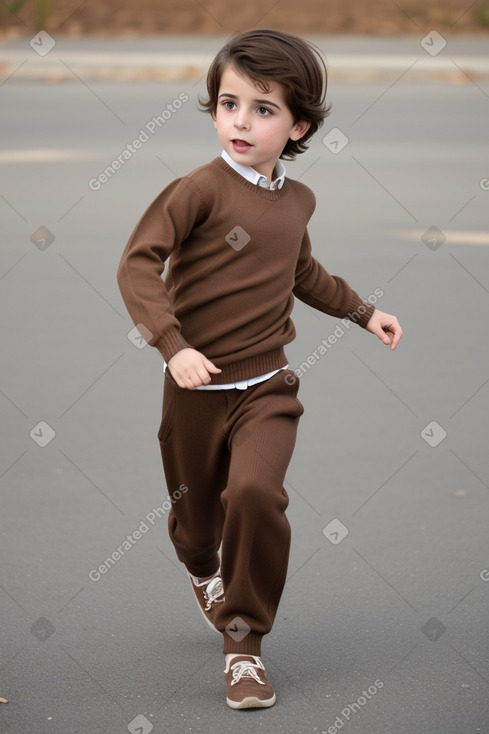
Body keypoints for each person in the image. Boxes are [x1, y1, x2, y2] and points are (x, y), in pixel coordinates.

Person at [117, 28, 402, 710]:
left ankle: (243, 644)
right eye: (228, 103)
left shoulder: (296, 201)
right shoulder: (196, 191)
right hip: (194, 387)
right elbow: (136, 264)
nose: (240, 121)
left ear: (298, 124)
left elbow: (300, 271)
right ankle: (199, 567)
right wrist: (172, 343)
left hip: (267, 385)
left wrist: (363, 312)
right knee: (195, 526)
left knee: (254, 494)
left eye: (263, 109)